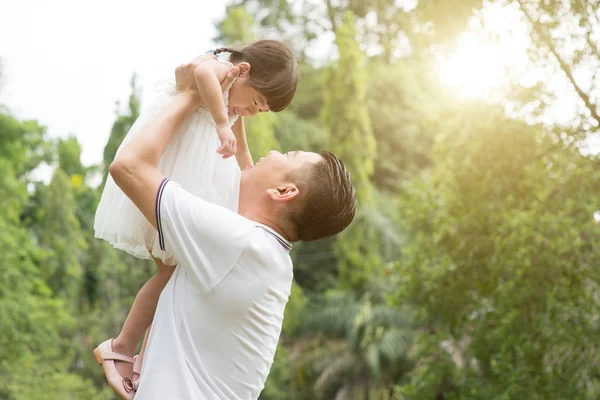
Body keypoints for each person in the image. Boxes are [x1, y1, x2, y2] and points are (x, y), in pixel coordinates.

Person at [94, 56, 356, 400]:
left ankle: (123, 349)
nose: (275, 150)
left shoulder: (240, 244)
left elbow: (128, 167)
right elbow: (242, 160)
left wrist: (188, 97)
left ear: (284, 192)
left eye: (288, 154)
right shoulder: (263, 254)